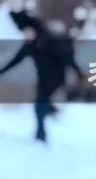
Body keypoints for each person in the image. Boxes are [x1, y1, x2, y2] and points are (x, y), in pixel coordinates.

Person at [0, 10, 84, 142]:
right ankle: (49, 112)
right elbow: (16, 60)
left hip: (56, 77)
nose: (25, 35)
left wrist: (78, 72)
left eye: (26, 31)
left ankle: (41, 135)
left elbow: (66, 57)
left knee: (39, 104)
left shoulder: (49, 39)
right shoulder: (30, 45)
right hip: (43, 79)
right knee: (41, 104)